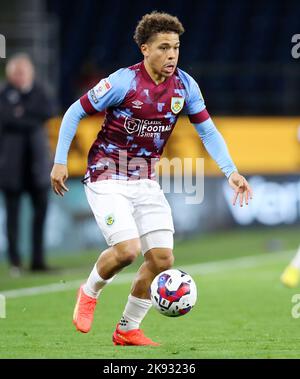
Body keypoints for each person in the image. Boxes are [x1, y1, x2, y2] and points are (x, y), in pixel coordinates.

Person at [51, 12, 253, 346]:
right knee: (128, 250)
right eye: (163, 47)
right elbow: (75, 111)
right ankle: (88, 293)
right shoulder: (122, 82)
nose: (172, 54)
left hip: (145, 180)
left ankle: (128, 328)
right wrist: (60, 162)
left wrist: (231, 171)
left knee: (161, 259)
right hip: (106, 175)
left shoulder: (185, 86)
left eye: (176, 47)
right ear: (145, 49)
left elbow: (207, 130)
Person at [0, 53, 54, 275]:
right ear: (10, 75)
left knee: (40, 215)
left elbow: (48, 112)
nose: (20, 76)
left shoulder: (40, 90)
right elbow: (6, 118)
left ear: (30, 72)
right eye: (16, 72)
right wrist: (28, 118)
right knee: (12, 217)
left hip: (38, 165)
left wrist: (21, 115)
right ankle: (15, 261)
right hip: (11, 166)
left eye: (23, 71)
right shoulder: (4, 93)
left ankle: (38, 260)